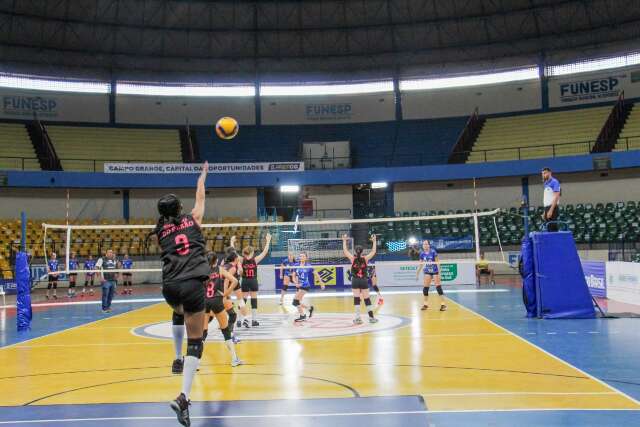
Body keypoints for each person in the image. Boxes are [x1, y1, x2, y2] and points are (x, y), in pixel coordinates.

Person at [152, 162, 210, 427]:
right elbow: (200, 196)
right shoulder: (193, 219)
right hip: (191, 283)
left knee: (183, 313)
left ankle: (177, 356)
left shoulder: (159, 231)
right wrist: (202, 177)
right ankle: (183, 398)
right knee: (197, 341)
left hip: (170, 287)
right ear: (179, 209)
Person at [202, 253, 242, 367]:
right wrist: (226, 293)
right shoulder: (219, 269)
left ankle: (196, 363)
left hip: (205, 301)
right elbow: (234, 281)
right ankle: (234, 359)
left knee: (203, 332)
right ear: (216, 261)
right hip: (217, 300)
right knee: (225, 331)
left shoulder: (202, 271)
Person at [342, 234, 378, 324]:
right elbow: (373, 251)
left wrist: (344, 241)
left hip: (355, 280)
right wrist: (374, 241)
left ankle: (358, 318)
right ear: (362, 251)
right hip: (363, 280)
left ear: (355, 251)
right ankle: (371, 318)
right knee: (367, 299)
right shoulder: (365, 258)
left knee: (357, 299)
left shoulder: (352, 259)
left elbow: (345, 251)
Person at [239, 233, 272, 326]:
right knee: (254, 300)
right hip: (253, 281)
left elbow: (233, 253)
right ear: (252, 252)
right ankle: (254, 320)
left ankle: (239, 320)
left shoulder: (242, 260)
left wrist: (232, 242)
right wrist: (268, 240)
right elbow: (265, 252)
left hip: (245, 281)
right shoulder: (255, 260)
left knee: (243, 300)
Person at [223, 245, 251, 329]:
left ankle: (225, 321)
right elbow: (241, 270)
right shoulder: (236, 260)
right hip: (234, 280)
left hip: (226, 281)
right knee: (240, 300)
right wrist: (240, 275)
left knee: (226, 301)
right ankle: (245, 319)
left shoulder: (225, 260)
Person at [415, 240, 447, 311]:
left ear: (429, 245)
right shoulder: (422, 254)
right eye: (424, 244)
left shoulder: (433, 252)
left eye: (426, 244)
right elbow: (420, 265)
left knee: (438, 287)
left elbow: (437, 263)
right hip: (427, 271)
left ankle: (443, 304)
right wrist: (417, 273)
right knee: (425, 288)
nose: (425, 245)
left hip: (435, 271)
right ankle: (425, 304)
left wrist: (439, 273)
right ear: (422, 246)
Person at [291, 252, 316, 322]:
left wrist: (321, 283)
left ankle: (302, 316)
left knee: (295, 302)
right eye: (300, 256)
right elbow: (293, 276)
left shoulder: (308, 266)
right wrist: (296, 283)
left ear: (306, 258)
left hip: (305, 286)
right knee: (297, 301)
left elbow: (316, 274)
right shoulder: (296, 265)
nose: (301, 257)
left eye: (303, 256)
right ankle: (309, 308)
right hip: (299, 286)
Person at [542, 167, 561, 232]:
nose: (543, 175)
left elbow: (557, 196)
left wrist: (551, 210)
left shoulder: (555, 182)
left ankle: (556, 242)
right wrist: (545, 211)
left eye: (545, 173)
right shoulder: (545, 184)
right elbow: (547, 199)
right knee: (549, 229)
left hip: (553, 207)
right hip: (547, 208)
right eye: (542, 174)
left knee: (553, 229)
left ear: (550, 173)